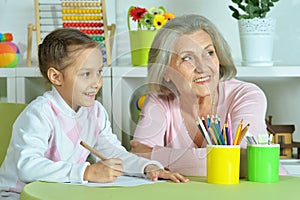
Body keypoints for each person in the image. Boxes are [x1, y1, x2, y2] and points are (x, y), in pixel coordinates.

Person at [0, 28, 188, 199]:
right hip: (18, 195)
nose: (97, 82)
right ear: (56, 77)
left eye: (99, 72)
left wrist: (148, 167)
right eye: (86, 74)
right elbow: (28, 167)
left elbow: (113, 153)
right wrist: (86, 173)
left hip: (59, 192)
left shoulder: (95, 111)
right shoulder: (39, 113)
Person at [130, 14, 287, 176]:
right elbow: (138, 158)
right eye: (187, 58)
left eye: (209, 53)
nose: (203, 67)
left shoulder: (246, 95)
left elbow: (243, 162)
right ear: (165, 71)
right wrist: (222, 158)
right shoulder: (159, 101)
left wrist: (155, 155)